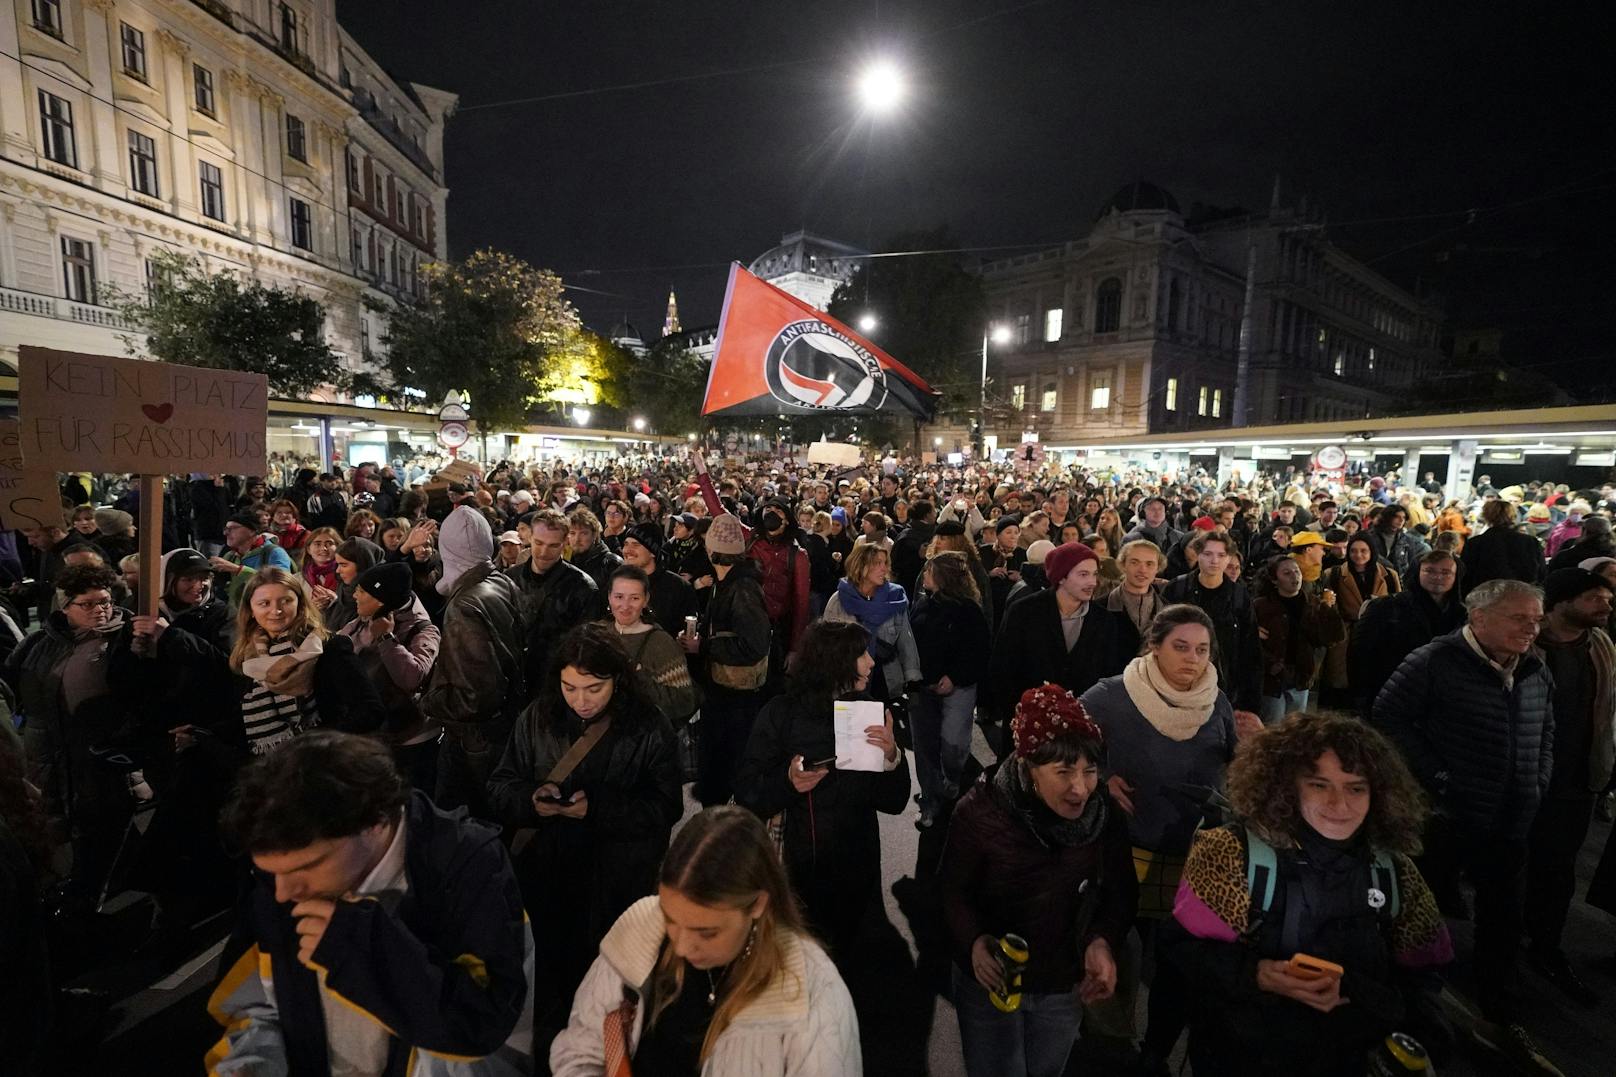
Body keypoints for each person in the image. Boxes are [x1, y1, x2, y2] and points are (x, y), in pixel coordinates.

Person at [208, 731, 536, 1075]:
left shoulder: (463, 865)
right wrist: (249, 1066)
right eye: (269, 873)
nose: (283, 893)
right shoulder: (281, 875)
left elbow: (481, 1028)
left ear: (376, 822)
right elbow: (254, 1006)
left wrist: (360, 949)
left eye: (307, 866)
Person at [1164, 713, 1452, 1076]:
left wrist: (1365, 997)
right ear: (1287, 785)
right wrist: (1255, 974)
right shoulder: (1231, 853)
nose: (1339, 804)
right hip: (1245, 1056)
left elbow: (1425, 979)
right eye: (1319, 785)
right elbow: (1181, 951)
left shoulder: (1394, 873)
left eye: (1355, 788)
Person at [550, 805, 861, 1076]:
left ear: (757, 905)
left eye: (706, 932)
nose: (682, 947)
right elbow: (582, 1048)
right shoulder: (641, 928)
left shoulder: (811, 990)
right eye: (670, 919)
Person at [1079, 605, 1259, 1069]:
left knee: (1179, 966)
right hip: (1128, 851)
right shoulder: (1112, 695)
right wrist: (1099, 776)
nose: (1192, 659)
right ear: (1154, 647)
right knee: (1121, 947)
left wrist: (1258, 746)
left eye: (1201, 649)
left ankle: (1156, 1050)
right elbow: (1058, 742)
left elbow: (1237, 763)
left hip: (1197, 858)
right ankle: (1111, 1042)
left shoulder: (1215, 699)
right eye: (1180, 647)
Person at [487, 622, 682, 1043]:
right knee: (547, 990)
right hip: (546, 883)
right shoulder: (536, 718)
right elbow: (501, 785)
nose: (580, 701)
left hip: (616, 888)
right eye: (569, 687)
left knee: (607, 997)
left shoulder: (648, 726)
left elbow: (667, 806)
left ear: (619, 679)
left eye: (594, 688)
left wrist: (599, 809)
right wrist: (530, 800)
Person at [1373, 579, 1553, 1034]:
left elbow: (1546, 727)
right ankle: (1418, 1001)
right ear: (1478, 617)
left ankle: (1498, 999)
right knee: (1424, 907)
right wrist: (1439, 777)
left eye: (1536, 619)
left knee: (1504, 914)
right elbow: (1389, 718)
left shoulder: (1535, 666)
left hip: (1512, 815)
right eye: (1519, 618)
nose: (1531, 628)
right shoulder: (1433, 661)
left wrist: (1538, 778)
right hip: (1446, 815)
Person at [938, 684, 1134, 1077]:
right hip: (991, 985)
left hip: (1062, 985)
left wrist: (1101, 941)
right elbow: (950, 891)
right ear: (1028, 767)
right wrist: (974, 943)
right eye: (1063, 772)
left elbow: (1121, 891)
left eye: (1090, 770)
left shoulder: (1104, 817)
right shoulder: (979, 813)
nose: (1080, 788)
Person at [735, 619, 908, 951]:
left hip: (857, 875)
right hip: (793, 875)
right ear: (835, 662)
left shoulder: (867, 713)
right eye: (861, 655)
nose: (871, 662)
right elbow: (747, 793)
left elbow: (895, 801)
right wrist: (787, 783)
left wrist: (892, 756)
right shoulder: (781, 715)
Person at [4, 563, 137, 905]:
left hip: (101, 752)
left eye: (105, 601)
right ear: (66, 607)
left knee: (102, 823)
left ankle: (91, 895)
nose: (100, 610)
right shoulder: (41, 642)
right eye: (88, 604)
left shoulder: (127, 638)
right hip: (51, 748)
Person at [1523, 569, 1615, 1006]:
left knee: (1558, 873)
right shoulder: (1524, 644)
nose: (1606, 606)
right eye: (1595, 598)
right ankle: (1500, 951)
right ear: (1561, 602)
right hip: (1522, 779)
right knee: (1507, 867)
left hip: (1577, 780)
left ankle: (1545, 947)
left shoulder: (1601, 645)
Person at [420, 506, 525, 817]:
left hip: (474, 741)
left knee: (468, 821)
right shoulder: (500, 581)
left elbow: (472, 697)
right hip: (502, 728)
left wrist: (428, 701)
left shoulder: (465, 605)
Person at [989, 542, 1139, 753]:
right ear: (1061, 576)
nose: (1092, 582)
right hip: (1029, 724)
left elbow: (1109, 674)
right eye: (1083, 574)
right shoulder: (1024, 612)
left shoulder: (1104, 621)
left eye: (1094, 574)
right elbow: (1003, 665)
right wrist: (1017, 711)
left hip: (1081, 729)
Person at [227, 567, 382, 753]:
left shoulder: (329, 647)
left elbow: (371, 711)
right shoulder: (247, 659)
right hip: (274, 768)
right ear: (250, 610)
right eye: (264, 603)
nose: (275, 611)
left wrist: (312, 742)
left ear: (300, 604)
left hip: (326, 760)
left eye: (286, 601)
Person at [684, 513, 773, 807]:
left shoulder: (742, 588)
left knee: (732, 760)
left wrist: (705, 647)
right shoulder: (726, 582)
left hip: (736, 695)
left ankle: (727, 824)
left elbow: (754, 644)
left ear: (711, 551)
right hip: (723, 690)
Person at [335, 561, 442, 793]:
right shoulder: (362, 620)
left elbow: (412, 678)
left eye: (361, 591)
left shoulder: (422, 630)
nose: (354, 594)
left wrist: (386, 639)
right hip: (374, 736)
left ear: (380, 600)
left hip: (411, 740)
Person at [909, 551, 992, 828]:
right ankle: (931, 798)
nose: (925, 575)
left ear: (943, 577)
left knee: (953, 742)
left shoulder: (969, 610)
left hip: (958, 687)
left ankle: (953, 777)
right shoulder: (921, 604)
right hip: (922, 687)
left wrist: (954, 677)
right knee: (925, 744)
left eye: (930, 571)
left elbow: (978, 652)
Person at [1347, 550, 1465, 718]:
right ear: (1418, 572)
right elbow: (1359, 652)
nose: (1438, 577)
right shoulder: (1386, 607)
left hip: (1442, 703)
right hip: (1389, 695)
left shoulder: (1463, 616)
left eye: (1446, 572)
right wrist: (1361, 700)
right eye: (1430, 571)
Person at [1162, 530, 1263, 718]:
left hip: (1224, 688)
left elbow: (1250, 651)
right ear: (1197, 555)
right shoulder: (1177, 589)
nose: (1214, 561)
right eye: (1208, 554)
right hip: (1178, 685)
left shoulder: (1239, 596)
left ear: (1229, 558)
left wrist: (1250, 704)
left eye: (1221, 555)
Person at [506, 508, 597, 694]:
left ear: (565, 543)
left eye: (553, 545)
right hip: (513, 684)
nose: (543, 552)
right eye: (538, 543)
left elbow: (585, 647)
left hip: (556, 686)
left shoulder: (583, 587)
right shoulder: (509, 579)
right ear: (529, 537)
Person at [823, 543, 921, 706]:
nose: (884, 568)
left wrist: (913, 681)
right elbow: (827, 645)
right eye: (877, 563)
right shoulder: (839, 600)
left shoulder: (895, 598)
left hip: (885, 679)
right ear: (860, 565)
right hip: (848, 680)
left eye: (885, 563)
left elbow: (906, 641)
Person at [599, 565, 698, 722]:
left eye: (635, 598)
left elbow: (684, 702)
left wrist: (638, 677)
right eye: (619, 597)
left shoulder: (661, 644)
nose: (625, 606)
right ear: (609, 597)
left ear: (646, 600)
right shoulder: (598, 633)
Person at [1252, 556, 1344, 724]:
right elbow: (1249, 643)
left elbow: (1333, 637)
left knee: (1295, 727)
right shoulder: (1260, 606)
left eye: (1297, 572)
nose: (1294, 577)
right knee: (1273, 727)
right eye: (1286, 573)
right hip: (1273, 678)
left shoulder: (1313, 603)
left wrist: (1328, 612)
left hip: (1301, 676)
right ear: (1274, 580)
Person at [1320, 532, 1399, 695]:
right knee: (1344, 681)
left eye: (1364, 551)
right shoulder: (1333, 574)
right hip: (1345, 634)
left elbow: (1398, 605)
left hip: (1378, 632)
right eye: (1354, 551)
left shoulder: (1389, 575)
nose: (1358, 555)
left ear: (1372, 552)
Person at [620, 522, 700, 640]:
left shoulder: (678, 587)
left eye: (636, 545)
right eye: (626, 544)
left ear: (652, 551)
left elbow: (689, 631)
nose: (627, 550)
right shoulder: (617, 582)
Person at [211, 512, 294, 609]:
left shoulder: (274, 552)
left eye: (233, 528)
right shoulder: (230, 556)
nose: (226, 533)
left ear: (253, 531)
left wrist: (239, 570)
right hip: (237, 616)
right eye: (226, 529)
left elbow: (282, 583)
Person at [1460, 498, 1544, 593]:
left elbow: (1465, 577)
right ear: (1512, 516)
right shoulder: (1530, 542)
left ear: (1486, 516)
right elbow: (1540, 574)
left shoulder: (1475, 543)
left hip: (1484, 597)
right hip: (1521, 597)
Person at [1104, 539, 1169, 635]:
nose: (1142, 570)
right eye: (1134, 562)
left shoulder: (1169, 610)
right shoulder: (1100, 608)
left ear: (1158, 568)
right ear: (1123, 565)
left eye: (1149, 564)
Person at [567, 506, 623, 593]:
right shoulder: (566, 561)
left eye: (584, 533)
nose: (577, 539)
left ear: (594, 535)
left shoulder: (611, 564)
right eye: (572, 533)